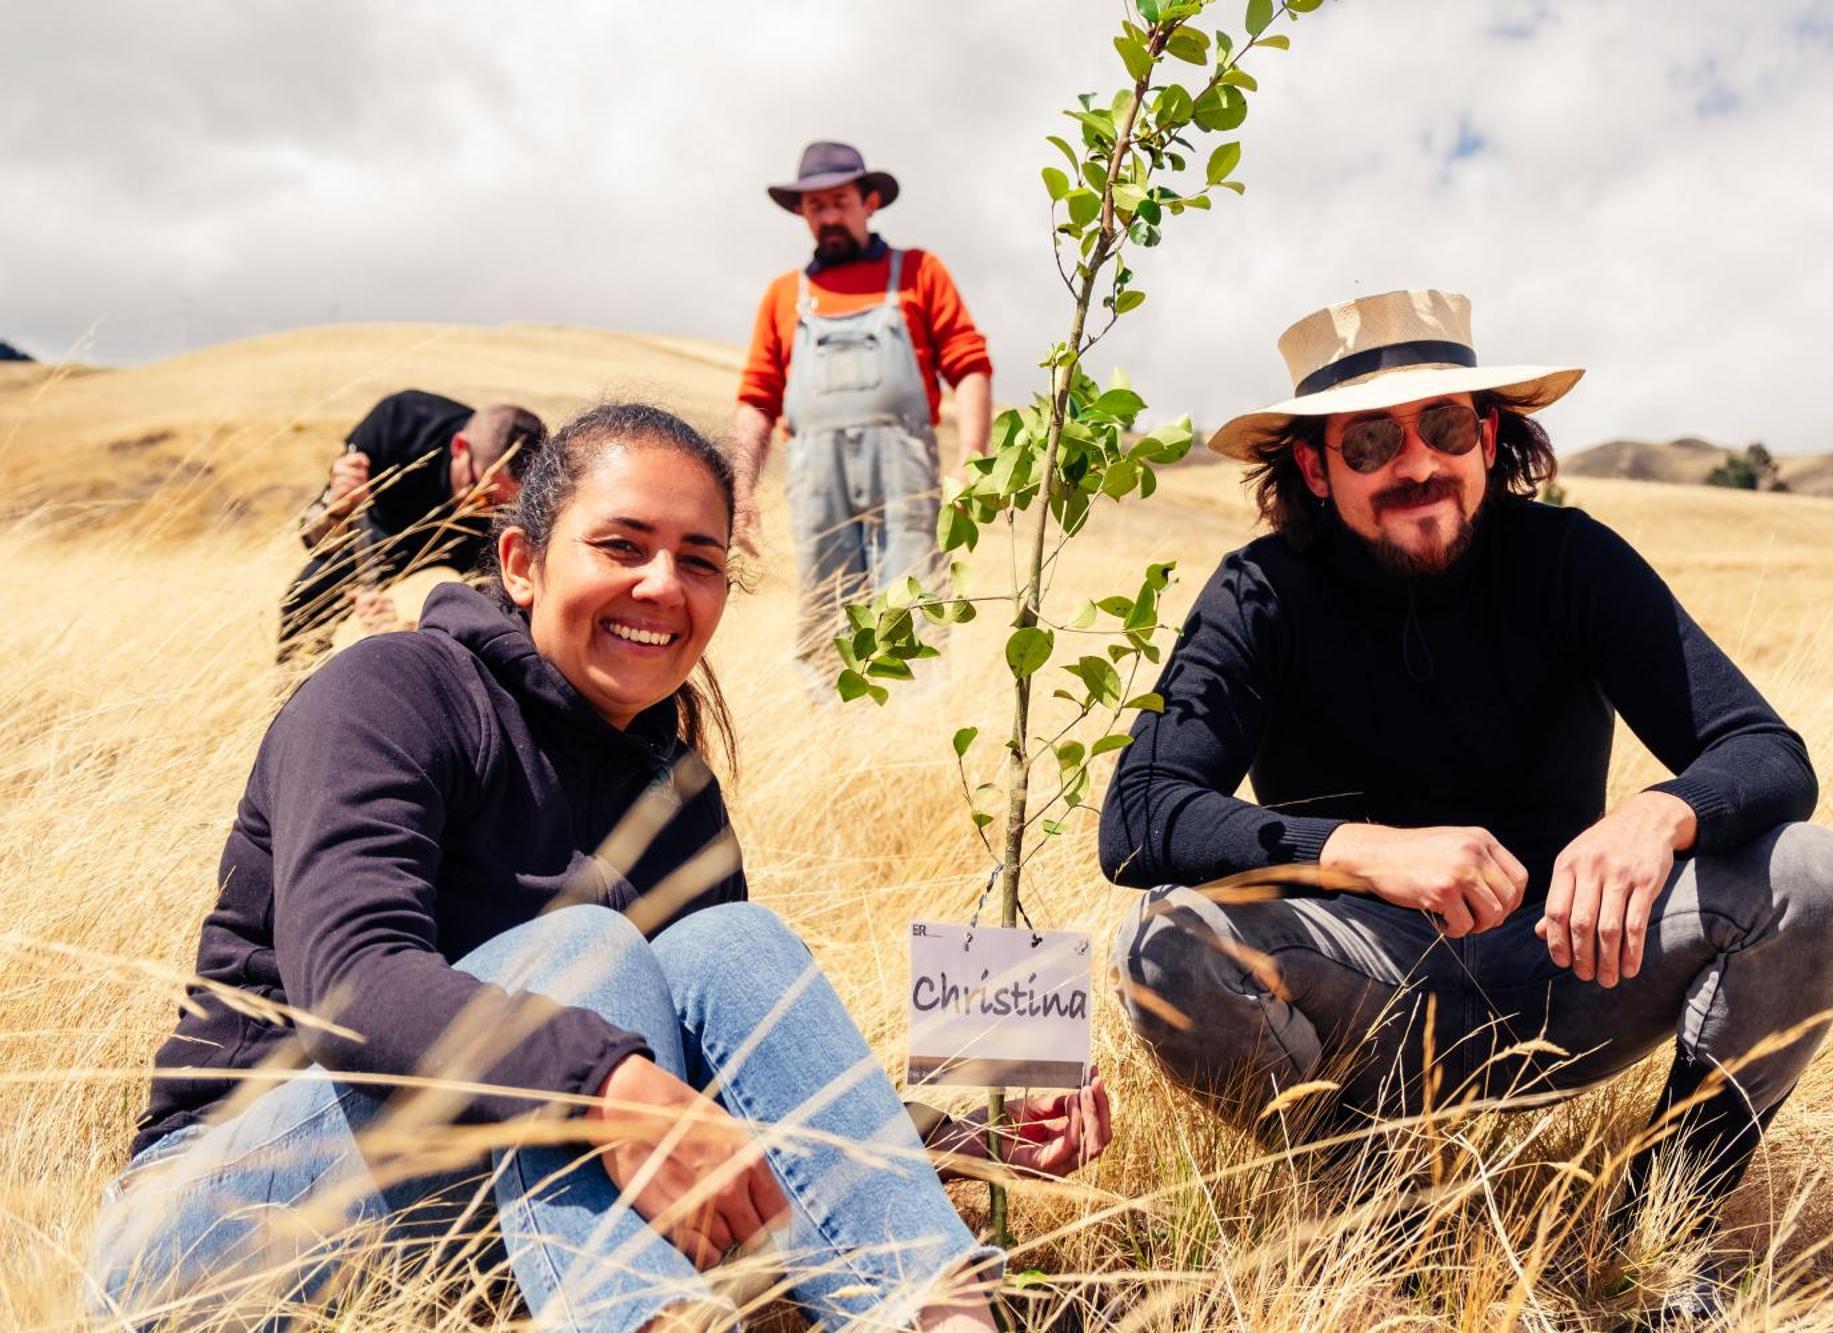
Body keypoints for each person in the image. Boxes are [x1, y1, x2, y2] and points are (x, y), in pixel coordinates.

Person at [91, 404, 1111, 1331]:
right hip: (211, 1238)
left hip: (472, 1235)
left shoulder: (678, 791)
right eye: (621, 545)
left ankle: (943, 1322)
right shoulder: (392, 688)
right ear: (521, 561)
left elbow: (715, 1100)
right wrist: (602, 1084)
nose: (661, 585)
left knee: (729, 944)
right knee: (584, 954)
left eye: (699, 560)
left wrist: (965, 1127)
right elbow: (348, 974)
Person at [1099, 290, 1833, 1320]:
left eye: (1445, 426)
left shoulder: (1569, 560)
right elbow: (1138, 812)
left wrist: (1656, 814)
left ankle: (1661, 1228)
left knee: (1814, 877)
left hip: (1570, 962)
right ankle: (1380, 1223)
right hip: (1358, 992)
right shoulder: (1260, 594)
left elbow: (1762, 750)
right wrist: (1356, 851)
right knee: (1158, 948)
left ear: (1489, 435)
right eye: (1369, 440)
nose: (1415, 461)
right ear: (1317, 471)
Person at [730, 141, 994, 690]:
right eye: (815, 206)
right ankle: (833, 730)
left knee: (914, 598)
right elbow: (756, 398)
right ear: (802, 214)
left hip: (905, 468)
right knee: (827, 606)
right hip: (816, 479)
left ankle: (915, 736)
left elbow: (969, 365)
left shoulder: (919, 271)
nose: (827, 215)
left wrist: (975, 460)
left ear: (869, 201)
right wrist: (742, 493)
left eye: (839, 201)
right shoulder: (784, 296)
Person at [278, 389, 546, 660]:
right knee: (303, 605)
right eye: (482, 495)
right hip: (379, 529)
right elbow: (314, 540)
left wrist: (409, 631)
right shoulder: (402, 420)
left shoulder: (504, 517)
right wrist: (336, 508)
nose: (488, 512)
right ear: (459, 448)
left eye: (502, 505)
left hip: (470, 556)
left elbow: (501, 617)